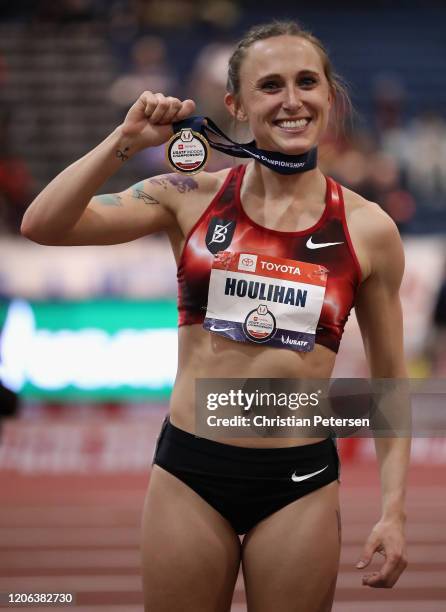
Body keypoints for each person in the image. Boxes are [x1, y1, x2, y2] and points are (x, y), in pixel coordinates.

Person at [21, 20, 409, 612]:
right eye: (269, 86)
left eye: (307, 82)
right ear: (235, 103)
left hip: (298, 480)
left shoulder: (368, 229)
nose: (291, 101)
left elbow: (387, 386)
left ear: (330, 96)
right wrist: (125, 139)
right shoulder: (188, 194)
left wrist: (393, 512)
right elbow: (42, 224)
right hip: (191, 473)